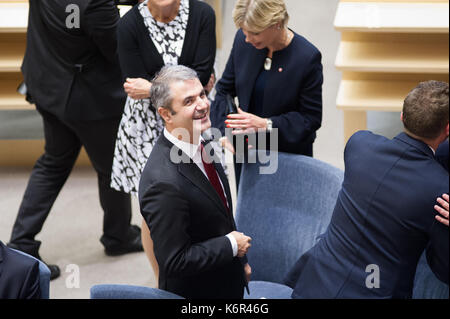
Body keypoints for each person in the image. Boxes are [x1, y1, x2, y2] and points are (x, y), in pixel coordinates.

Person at [7, 0, 143, 280]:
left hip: (47, 83)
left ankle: (21, 243)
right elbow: (117, 53)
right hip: (88, 100)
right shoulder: (97, 5)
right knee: (111, 167)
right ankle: (118, 237)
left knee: (54, 162)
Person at [285, 80, 449, 298]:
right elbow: (444, 269)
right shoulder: (441, 189)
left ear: (402, 116)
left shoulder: (359, 144)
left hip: (314, 286)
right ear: (447, 129)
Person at [110, 0, 216, 281]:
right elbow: (133, 84)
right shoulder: (129, 24)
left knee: (204, 195)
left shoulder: (203, 14)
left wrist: (153, 88)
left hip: (194, 120)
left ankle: (203, 266)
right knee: (154, 213)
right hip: (144, 128)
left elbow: (203, 73)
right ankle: (163, 280)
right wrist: (184, 87)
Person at [138, 65, 252, 299]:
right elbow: (175, 260)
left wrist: (241, 263)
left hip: (227, 281)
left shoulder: (199, 139)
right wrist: (231, 246)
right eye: (189, 101)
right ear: (166, 114)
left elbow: (222, 211)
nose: (203, 104)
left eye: (201, 95)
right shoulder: (163, 183)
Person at [210, 0, 323, 184]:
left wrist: (265, 124)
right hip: (247, 155)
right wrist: (225, 133)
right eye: (244, 31)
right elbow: (224, 90)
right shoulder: (244, 41)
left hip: (286, 156)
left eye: (254, 33)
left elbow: (310, 120)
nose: (247, 38)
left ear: (276, 24)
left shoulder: (307, 58)